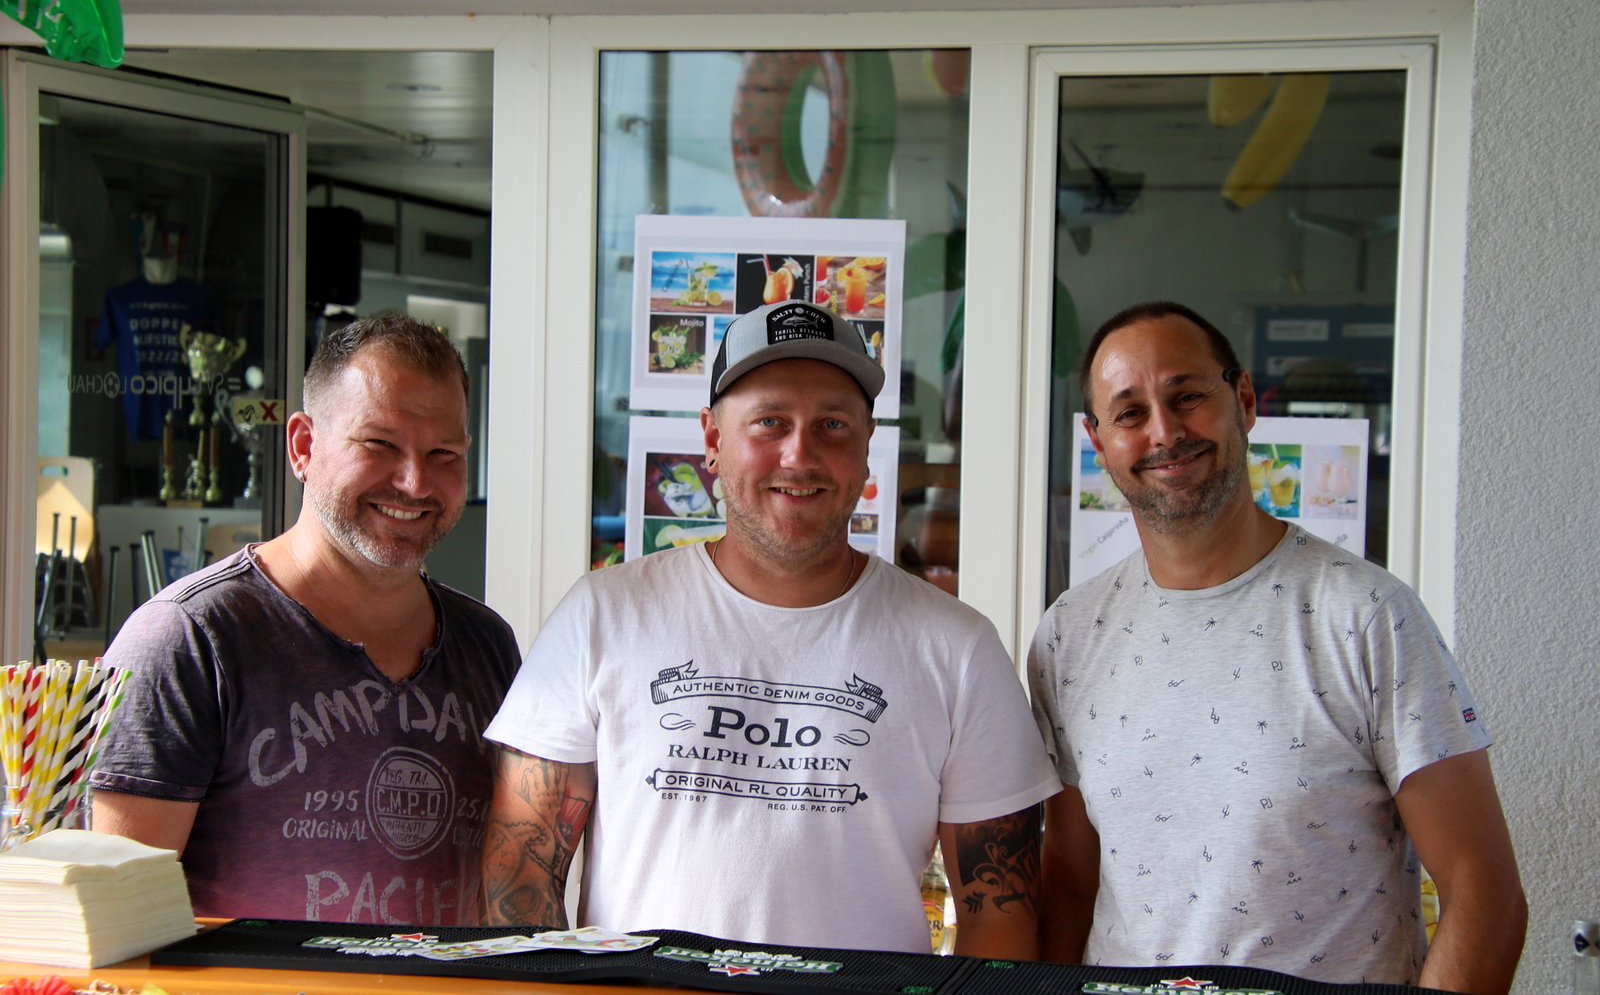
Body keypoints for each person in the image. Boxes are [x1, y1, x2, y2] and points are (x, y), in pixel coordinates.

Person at [483, 300, 1059, 957]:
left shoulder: (957, 648)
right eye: (769, 422)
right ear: (712, 440)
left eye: (833, 425)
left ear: (867, 448)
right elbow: (519, 871)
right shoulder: (602, 615)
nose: (799, 454)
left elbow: (1002, 919)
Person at [1029, 302, 1526, 993]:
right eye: (1130, 412)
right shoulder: (1070, 633)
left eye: (1187, 396)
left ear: (1243, 400)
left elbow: (1484, 895)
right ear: (1098, 439)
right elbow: (1068, 883)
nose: (1164, 432)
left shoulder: (1368, 617)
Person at [91, 315, 520, 924]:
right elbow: (113, 924)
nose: (414, 481)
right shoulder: (188, 640)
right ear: (302, 446)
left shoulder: (489, 646)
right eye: (379, 444)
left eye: (443, 453)